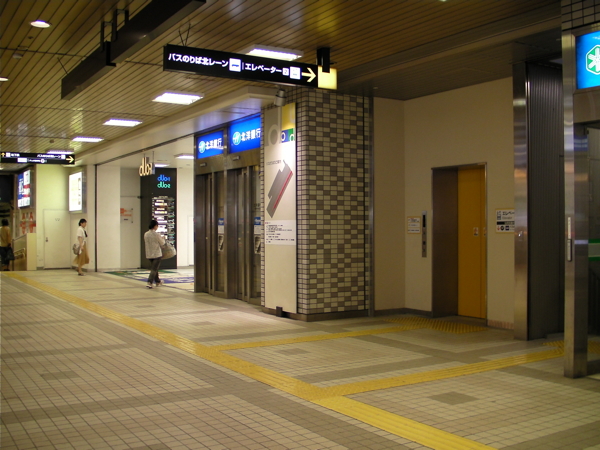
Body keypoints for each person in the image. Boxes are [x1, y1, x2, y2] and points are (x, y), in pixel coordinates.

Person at [144, 219, 165, 289]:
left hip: (149, 254)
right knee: (154, 269)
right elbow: (162, 243)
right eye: (157, 226)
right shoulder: (157, 234)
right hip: (157, 254)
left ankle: (158, 281)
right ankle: (149, 282)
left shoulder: (146, 234)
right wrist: (163, 238)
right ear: (155, 226)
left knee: (155, 268)